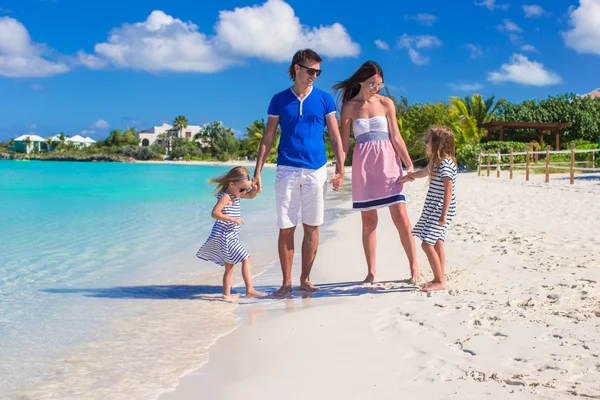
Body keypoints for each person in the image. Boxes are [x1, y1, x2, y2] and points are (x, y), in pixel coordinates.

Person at [253, 49, 345, 297]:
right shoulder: (279, 99)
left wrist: (340, 168)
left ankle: (305, 279)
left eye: (318, 71)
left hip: (316, 170)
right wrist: (258, 171)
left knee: (312, 226)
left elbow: (335, 136)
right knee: (286, 227)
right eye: (310, 70)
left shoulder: (325, 99)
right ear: (297, 68)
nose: (314, 75)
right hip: (286, 170)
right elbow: (268, 136)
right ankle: (286, 283)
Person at [334, 61, 420, 284]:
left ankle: (415, 269)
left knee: (401, 218)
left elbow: (396, 137)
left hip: (389, 165)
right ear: (361, 81)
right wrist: (340, 170)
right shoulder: (349, 107)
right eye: (373, 83)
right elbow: (343, 144)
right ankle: (371, 272)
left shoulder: (386, 103)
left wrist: (408, 164)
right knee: (369, 221)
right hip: (364, 168)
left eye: (380, 84)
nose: (377, 87)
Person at [398, 126, 457, 292]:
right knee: (437, 242)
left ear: (438, 143)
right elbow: (424, 172)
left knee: (426, 244)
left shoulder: (446, 165)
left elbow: (448, 191)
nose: (425, 143)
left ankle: (440, 281)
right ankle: (439, 276)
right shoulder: (436, 162)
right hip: (435, 208)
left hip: (440, 209)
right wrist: (409, 177)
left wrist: (444, 215)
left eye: (428, 140)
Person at [196, 166, 267, 301]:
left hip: (229, 237)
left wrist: (255, 189)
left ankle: (227, 295)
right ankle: (250, 290)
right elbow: (214, 213)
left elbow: (251, 195)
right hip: (225, 236)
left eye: (245, 189)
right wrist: (232, 219)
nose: (244, 192)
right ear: (232, 184)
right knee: (246, 258)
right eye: (242, 189)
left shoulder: (236, 194)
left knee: (230, 266)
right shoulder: (226, 197)